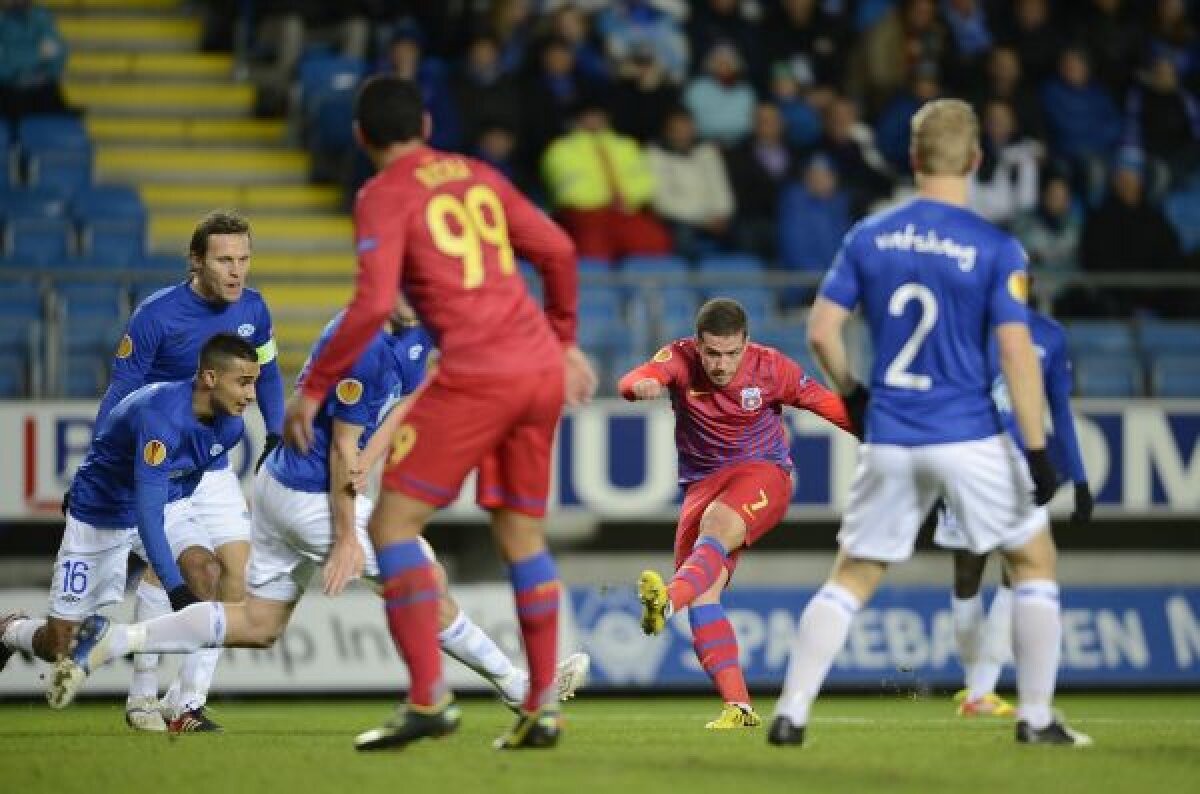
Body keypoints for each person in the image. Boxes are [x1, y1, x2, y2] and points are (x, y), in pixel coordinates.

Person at [47, 303, 590, 718]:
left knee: (258, 624)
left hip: (285, 484)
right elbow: (339, 448)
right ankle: (523, 690)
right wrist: (348, 533)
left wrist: (370, 461)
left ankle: (124, 639)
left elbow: (405, 402)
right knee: (422, 576)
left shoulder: (422, 331)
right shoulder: (365, 345)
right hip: (309, 492)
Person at [280, 76, 597, 751]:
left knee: (392, 526)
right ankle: (543, 706)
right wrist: (566, 341)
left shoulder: (382, 194)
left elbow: (370, 306)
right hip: (540, 367)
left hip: (479, 370)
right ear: (425, 121)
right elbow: (560, 252)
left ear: (363, 137)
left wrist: (313, 389)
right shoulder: (478, 174)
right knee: (522, 538)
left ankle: (427, 697)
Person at [770, 99, 1093, 748]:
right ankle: (1035, 718)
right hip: (968, 431)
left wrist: (856, 396)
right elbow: (1014, 355)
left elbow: (822, 332)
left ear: (912, 160)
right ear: (975, 161)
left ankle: (791, 712)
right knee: (1033, 561)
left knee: (852, 575)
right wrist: (1035, 451)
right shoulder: (997, 247)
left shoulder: (868, 235)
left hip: (890, 433)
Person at [90, 210, 285, 732]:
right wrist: (100, 460)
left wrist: (280, 433)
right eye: (224, 259)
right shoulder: (156, 316)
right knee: (174, 568)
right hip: (161, 461)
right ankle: (141, 698)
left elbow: (265, 376)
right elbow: (119, 391)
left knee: (236, 577)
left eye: (243, 258)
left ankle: (187, 703)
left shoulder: (254, 309)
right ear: (197, 260)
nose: (236, 270)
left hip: (213, 464)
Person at [622, 298, 857, 730]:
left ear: (746, 343)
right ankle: (738, 706)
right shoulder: (678, 358)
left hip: (762, 474)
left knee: (714, 530)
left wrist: (886, 433)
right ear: (698, 344)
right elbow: (637, 376)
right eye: (712, 353)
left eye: (732, 353)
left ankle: (668, 601)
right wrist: (641, 386)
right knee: (705, 594)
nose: (721, 364)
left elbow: (830, 405)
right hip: (701, 487)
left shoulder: (771, 367)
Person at [1, 334, 258, 705]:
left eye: (255, 382)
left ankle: (168, 701)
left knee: (207, 573)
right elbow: (145, 512)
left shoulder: (231, 427)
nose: (252, 395)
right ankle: (12, 629)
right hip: (101, 513)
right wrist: (173, 587)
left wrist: (182, 574)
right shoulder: (161, 416)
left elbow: (180, 486)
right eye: (244, 382)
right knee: (59, 645)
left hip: (164, 503)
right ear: (210, 378)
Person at [936, 299, 1093, 718]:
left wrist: (1079, 477)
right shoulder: (967, 328)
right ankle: (975, 685)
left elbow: (1060, 410)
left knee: (1020, 570)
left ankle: (980, 690)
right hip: (970, 459)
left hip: (1025, 466)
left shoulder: (1050, 335)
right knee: (967, 573)